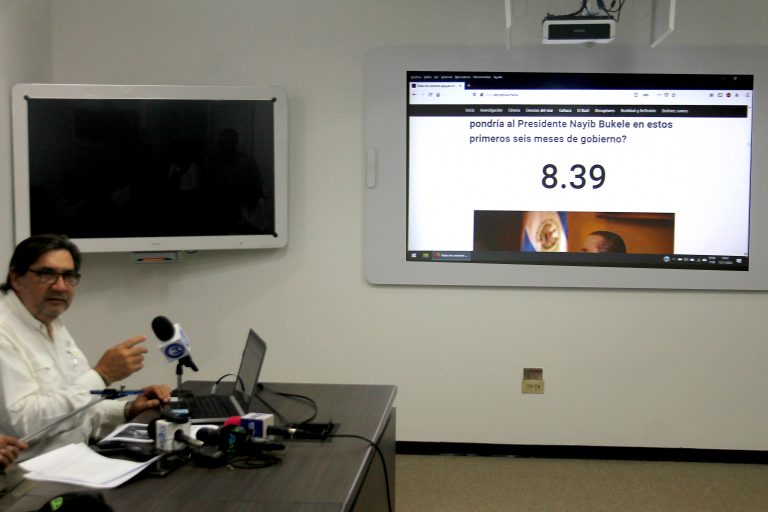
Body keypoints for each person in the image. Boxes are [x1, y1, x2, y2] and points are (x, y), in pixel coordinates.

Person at [0, 234, 171, 486]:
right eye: (47, 274)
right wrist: (102, 375)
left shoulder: (51, 321)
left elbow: (79, 407)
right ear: (17, 277)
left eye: (68, 276)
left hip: (76, 464)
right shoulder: (4, 332)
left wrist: (127, 410)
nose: (60, 286)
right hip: (25, 482)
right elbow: (26, 425)